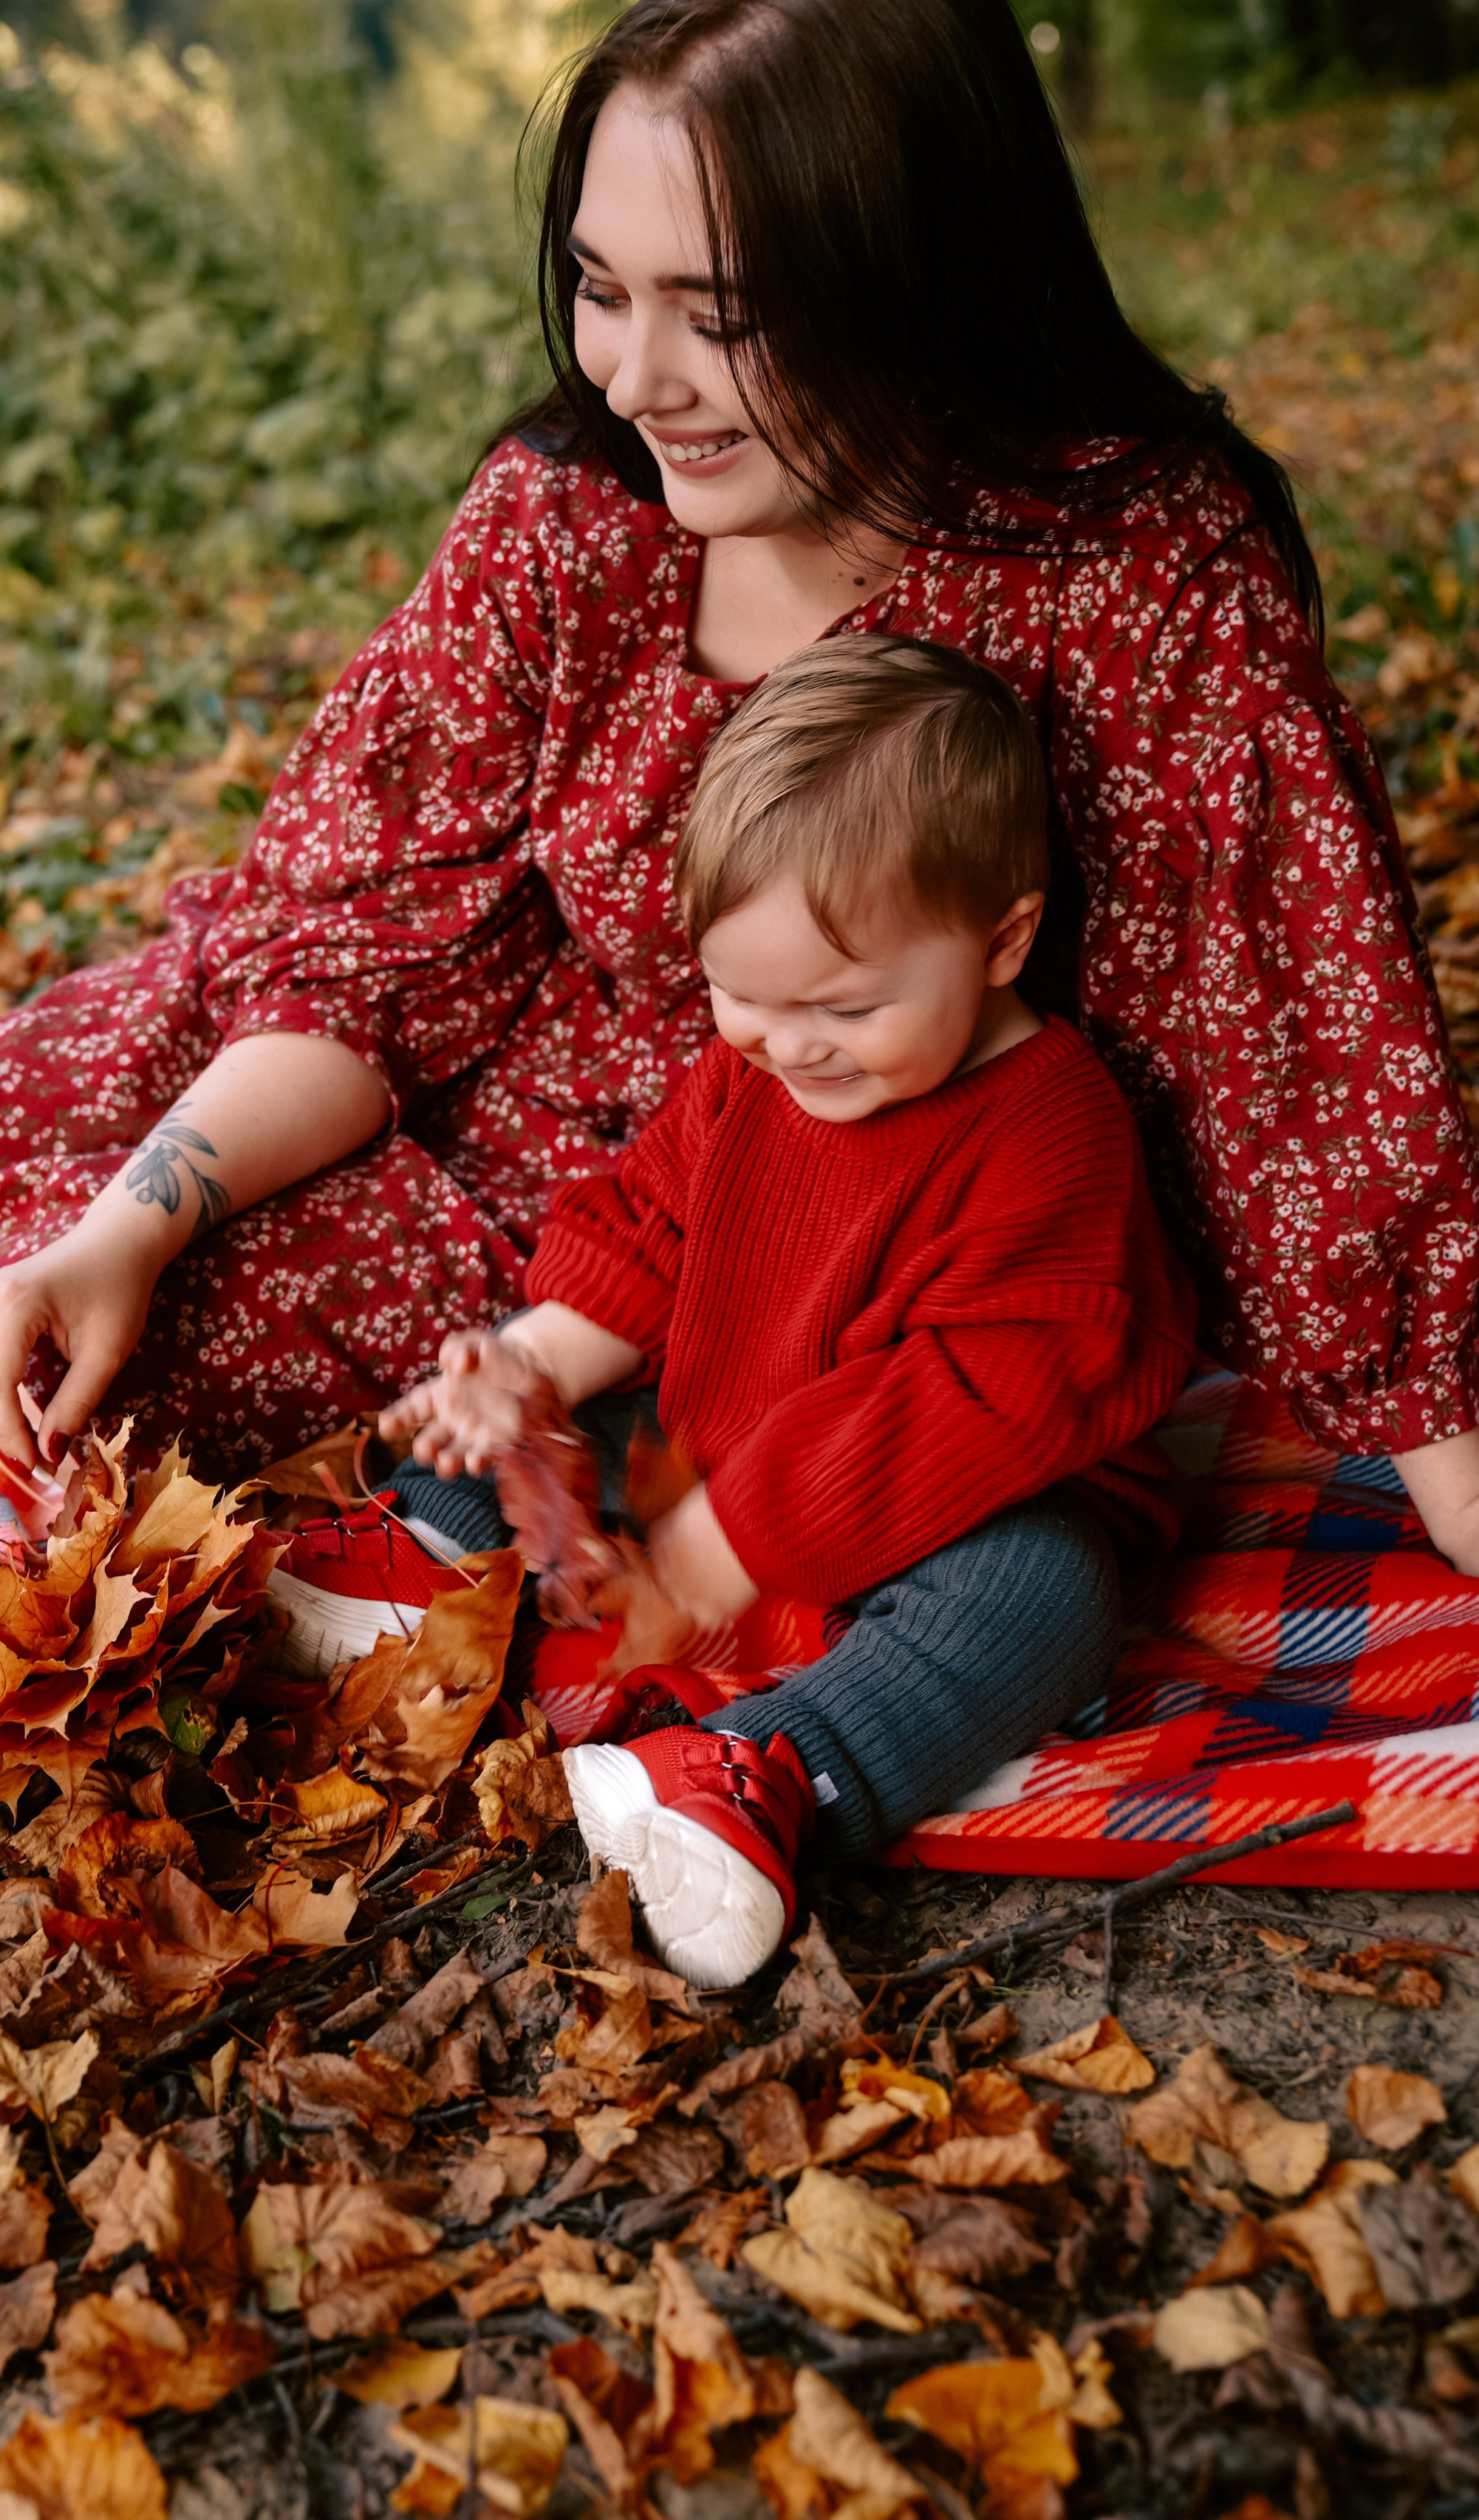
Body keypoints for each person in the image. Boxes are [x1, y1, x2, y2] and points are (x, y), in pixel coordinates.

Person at [0, 0, 1479, 1598]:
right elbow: (361, 955)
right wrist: (134, 1210)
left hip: (686, 1223)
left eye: (717, 314)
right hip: (425, 1065)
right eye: (600, 286)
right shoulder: (572, 520)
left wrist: (1450, 1461)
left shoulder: (1130, 570)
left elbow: (1293, 1053)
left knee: (144, 1377)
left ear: (916, 277)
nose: (627, 374)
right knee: (68, 1124)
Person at [373, 635, 1198, 1985]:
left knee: (1048, 1595)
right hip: (730, 1437)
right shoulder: (752, 1072)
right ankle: (425, 1566)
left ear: (1004, 940)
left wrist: (739, 1533)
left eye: (846, 1006)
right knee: (540, 1414)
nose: (786, 1042)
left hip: (951, 1500)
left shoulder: (1053, 1129)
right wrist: (525, 1368)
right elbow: (647, 1227)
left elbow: (988, 1388)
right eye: (736, 994)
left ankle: (773, 1774)